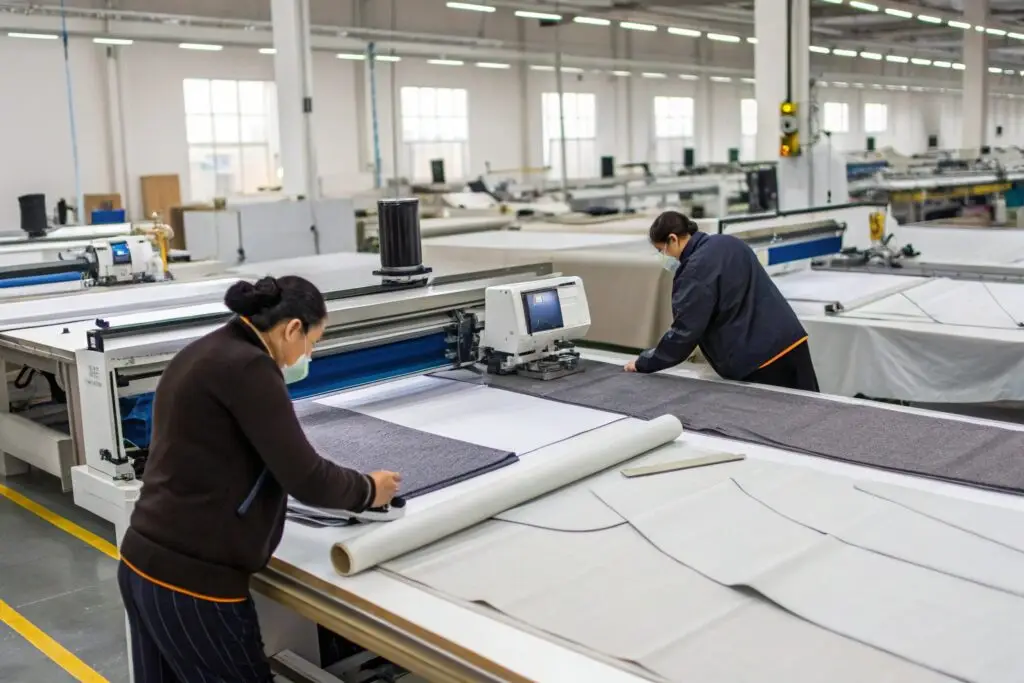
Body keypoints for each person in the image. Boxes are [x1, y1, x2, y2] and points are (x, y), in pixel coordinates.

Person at [118, 275, 402, 682]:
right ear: (292, 329)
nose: (309, 354)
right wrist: (369, 489)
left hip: (144, 564)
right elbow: (306, 477)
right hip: (194, 587)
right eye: (313, 342)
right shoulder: (249, 367)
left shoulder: (209, 350)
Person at [624, 211, 819, 392]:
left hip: (761, 362)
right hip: (792, 341)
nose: (665, 257)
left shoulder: (695, 270)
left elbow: (685, 331)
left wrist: (645, 362)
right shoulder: (728, 243)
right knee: (817, 417)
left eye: (662, 251)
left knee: (781, 423)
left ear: (673, 239)